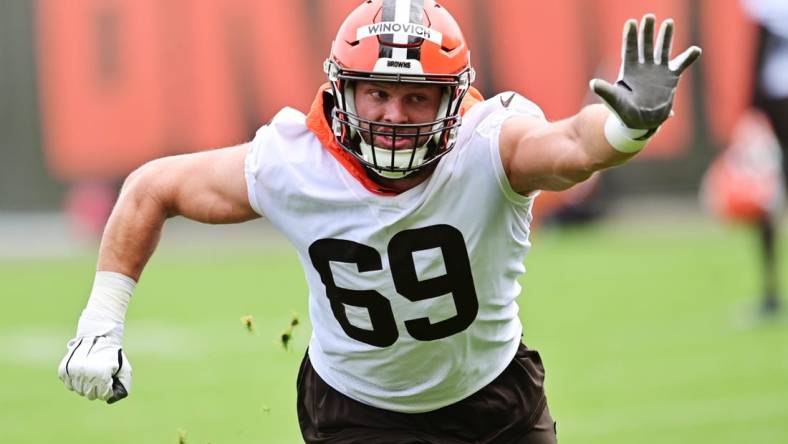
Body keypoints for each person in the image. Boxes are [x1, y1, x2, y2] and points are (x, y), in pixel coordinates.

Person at [57, 1, 700, 442]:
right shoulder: (295, 161)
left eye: (417, 95)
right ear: (342, 92)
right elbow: (150, 188)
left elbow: (572, 147)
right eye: (378, 92)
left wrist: (626, 125)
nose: (394, 113)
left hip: (494, 398)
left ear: (455, 100)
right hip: (357, 410)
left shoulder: (488, 146)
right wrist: (100, 322)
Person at [742, 0, 788, 315]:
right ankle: (770, 291)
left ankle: (770, 292)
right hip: (775, 102)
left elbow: (761, 46)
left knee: (767, 193)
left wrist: (751, 110)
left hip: (775, 101)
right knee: (767, 194)